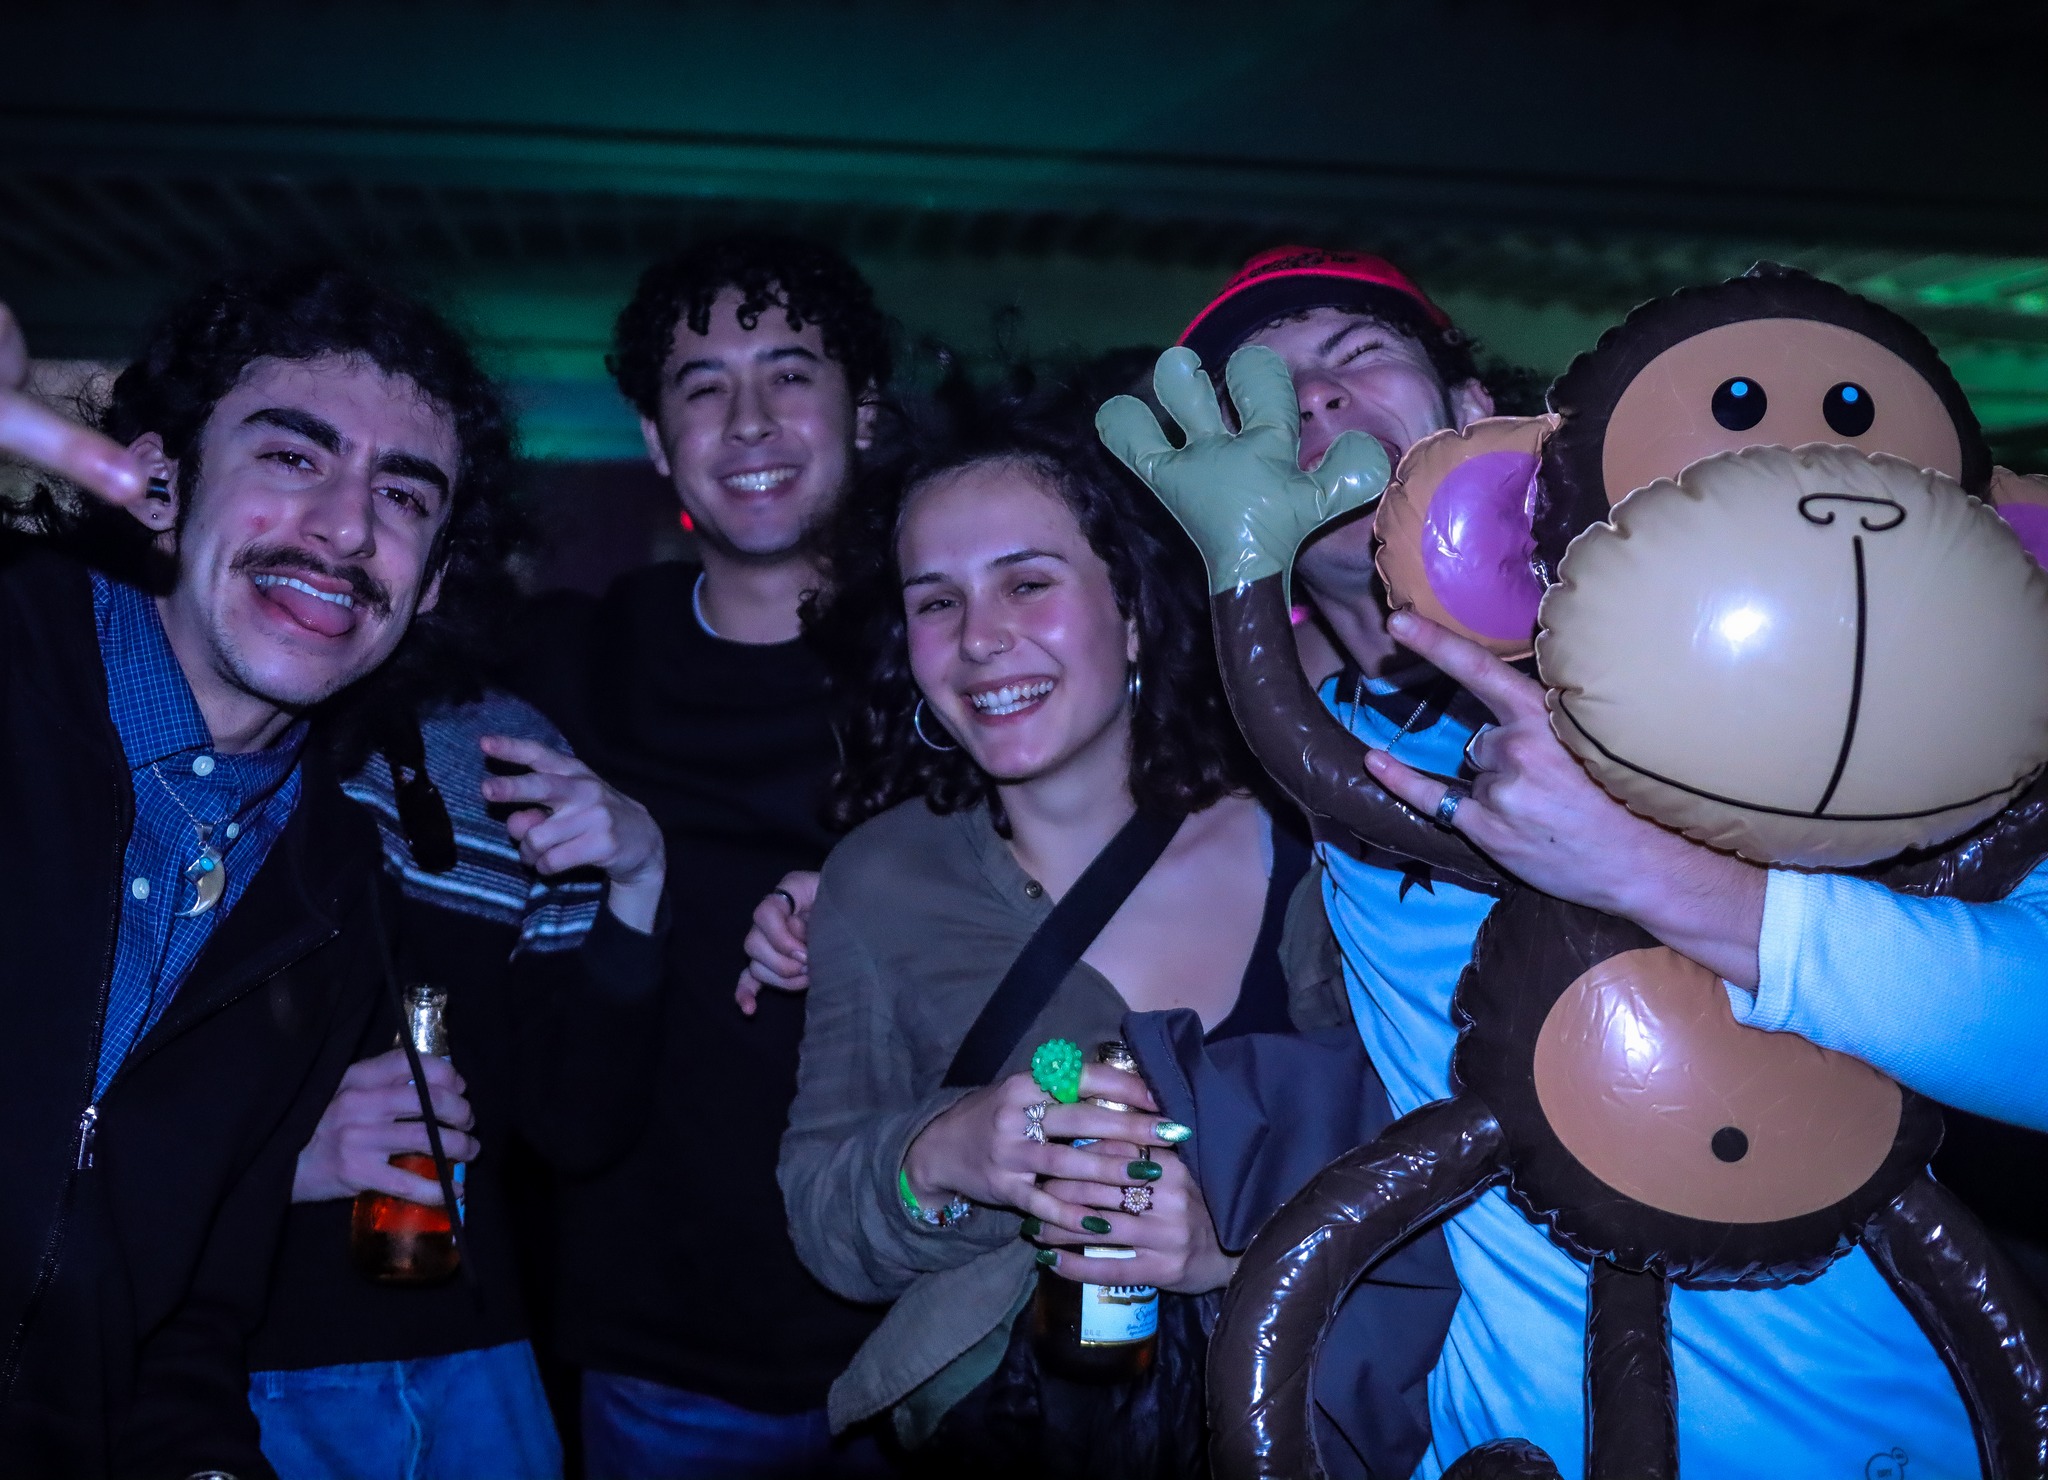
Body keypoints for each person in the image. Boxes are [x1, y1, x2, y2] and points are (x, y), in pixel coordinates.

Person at [1112, 244, 2044, 1478]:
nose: (1313, 400)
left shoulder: (1774, 675)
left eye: (1353, 356)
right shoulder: (1291, 756)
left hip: (1877, 1426)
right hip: (1516, 1448)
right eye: (1266, 388)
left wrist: (1654, 871)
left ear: (1468, 416)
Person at [775, 373, 1372, 1480]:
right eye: (936, 601)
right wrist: (942, 1154)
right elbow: (820, 1210)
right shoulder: (878, 877)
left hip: (1272, 1433)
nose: (980, 641)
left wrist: (1228, 1250)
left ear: (1133, 612)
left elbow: (1408, 1158)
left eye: (1028, 583)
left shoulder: (1316, 856)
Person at [0, 264, 519, 1476]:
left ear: (430, 584)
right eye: (294, 456)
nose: (346, 526)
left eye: (402, 494)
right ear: (163, 486)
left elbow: (192, 1316)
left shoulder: (333, 889)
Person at [506, 232, 897, 1477]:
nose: (748, 419)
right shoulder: (566, 661)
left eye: (789, 372)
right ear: (654, 437)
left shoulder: (961, 668)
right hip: (658, 1334)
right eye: (701, 384)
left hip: (923, 1326)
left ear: (863, 414)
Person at [243, 667, 670, 1477]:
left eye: (409, 528)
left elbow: (579, 1126)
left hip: (481, 1355)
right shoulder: (178, 709)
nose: (352, 537)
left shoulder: (505, 747)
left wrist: (641, 880)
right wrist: (277, 1162)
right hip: (227, 1357)